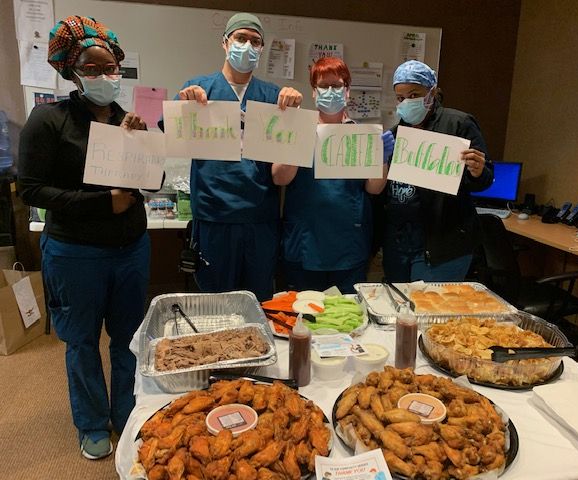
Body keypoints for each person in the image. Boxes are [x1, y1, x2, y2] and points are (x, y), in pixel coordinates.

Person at [18, 16, 150, 460]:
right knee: (82, 341)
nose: (103, 76)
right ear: (72, 72)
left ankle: (127, 413)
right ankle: (92, 423)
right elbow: (30, 189)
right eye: (91, 69)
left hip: (130, 250)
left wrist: (144, 145)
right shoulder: (49, 120)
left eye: (110, 67)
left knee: (129, 339)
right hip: (75, 253)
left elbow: (151, 183)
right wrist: (101, 203)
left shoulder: (128, 121)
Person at [174, 12, 303, 301]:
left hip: (260, 219)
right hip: (214, 218)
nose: (247, 46)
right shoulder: (199, 90)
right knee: (215, 302)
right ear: (225, 42)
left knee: (257, 301)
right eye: (240, 38)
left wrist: (293, 113)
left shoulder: (273, 97)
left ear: (262, 48)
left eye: (255, 41)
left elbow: (281, 168)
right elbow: (174, 136)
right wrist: (185, 107)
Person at [272, 57, 393, 293]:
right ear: (314, 92)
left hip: (348, 246)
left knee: (347, 312)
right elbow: (280, 178)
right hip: (305, 244)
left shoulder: (360, 136)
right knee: (305, 311)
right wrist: (297, 138)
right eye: (323, 86)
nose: (330, 91)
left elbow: (374, 188)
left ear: (347, 91)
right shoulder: (300, 129)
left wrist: (383, 159)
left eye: (336, 85)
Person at [381, 60, 494, 282]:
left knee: (427, 302)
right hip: (400, 243)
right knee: (398, 302)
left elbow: (484, 179)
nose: (406, 102)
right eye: (400, 98)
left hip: (442, 243)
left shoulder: (458, 124)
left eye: (414, 95)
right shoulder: (395, 135)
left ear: (432, 92)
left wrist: (478, 171)